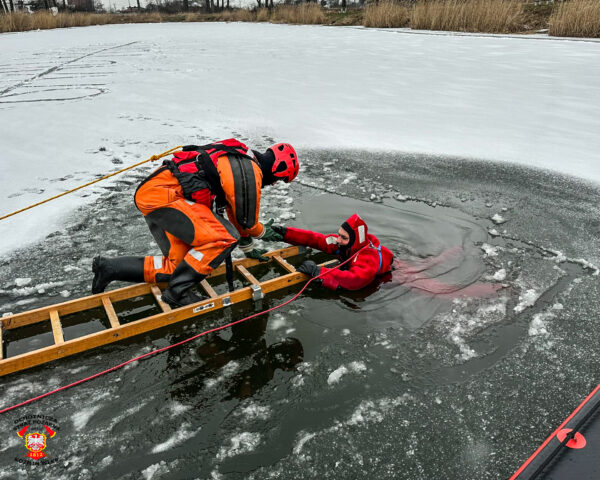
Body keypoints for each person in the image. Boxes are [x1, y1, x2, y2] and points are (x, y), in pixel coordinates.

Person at [91, 138, 299, 308]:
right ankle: (177, 293)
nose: (273, 184)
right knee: (224, 238)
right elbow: (247, 220)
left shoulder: (240, 158)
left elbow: (236, 213)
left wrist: (248, 246)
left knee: (179, 267)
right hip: (166, 196)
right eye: (279, 180)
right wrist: (264, 232)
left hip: (157, 195)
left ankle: (109, 268)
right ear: (278, 169)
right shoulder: (249, 168)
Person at [272, 213, 394, 291]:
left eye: (344, 238)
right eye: (339, 235)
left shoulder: (368, 258)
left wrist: (318, 271)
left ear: (356, 240)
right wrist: (286, 233)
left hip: (390, 275)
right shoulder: (343, 243)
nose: (338, 240)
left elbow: (355, 280)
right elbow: (316, 239)